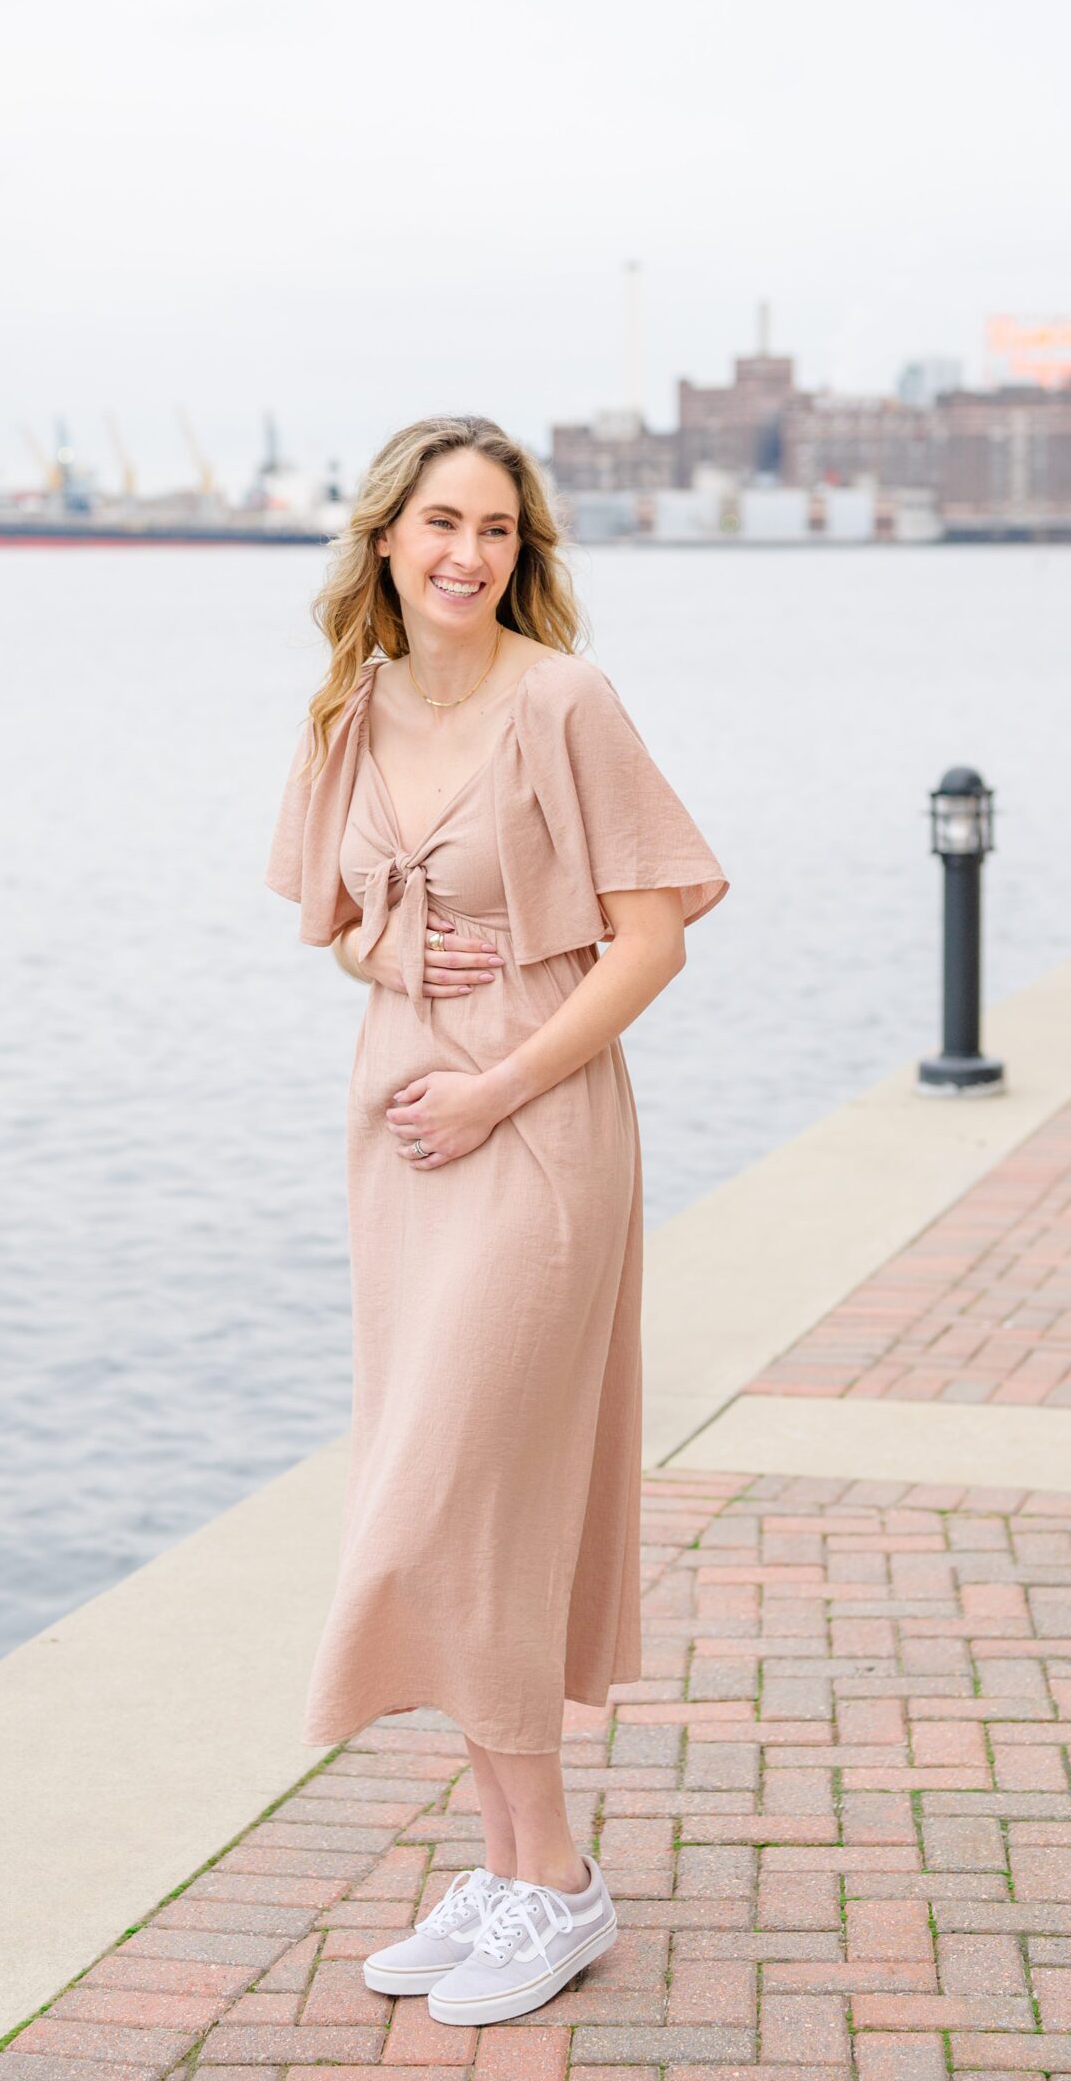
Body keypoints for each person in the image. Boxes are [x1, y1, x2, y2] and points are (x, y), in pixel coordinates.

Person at [265, 414, 728, 2026]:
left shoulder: (565, 701)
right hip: (398, 1138)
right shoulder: (354, 707)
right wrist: (398, 974)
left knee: (447, 1500)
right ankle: (522, 1870)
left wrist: (496, 1084)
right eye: (443, 523)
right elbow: (338, 927)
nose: (470, 554)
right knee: (449, 1502)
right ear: (385, 537)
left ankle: (557, 1880)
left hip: (528, 1136)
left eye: (500, 531)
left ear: (522, 556)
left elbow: (654, 938)